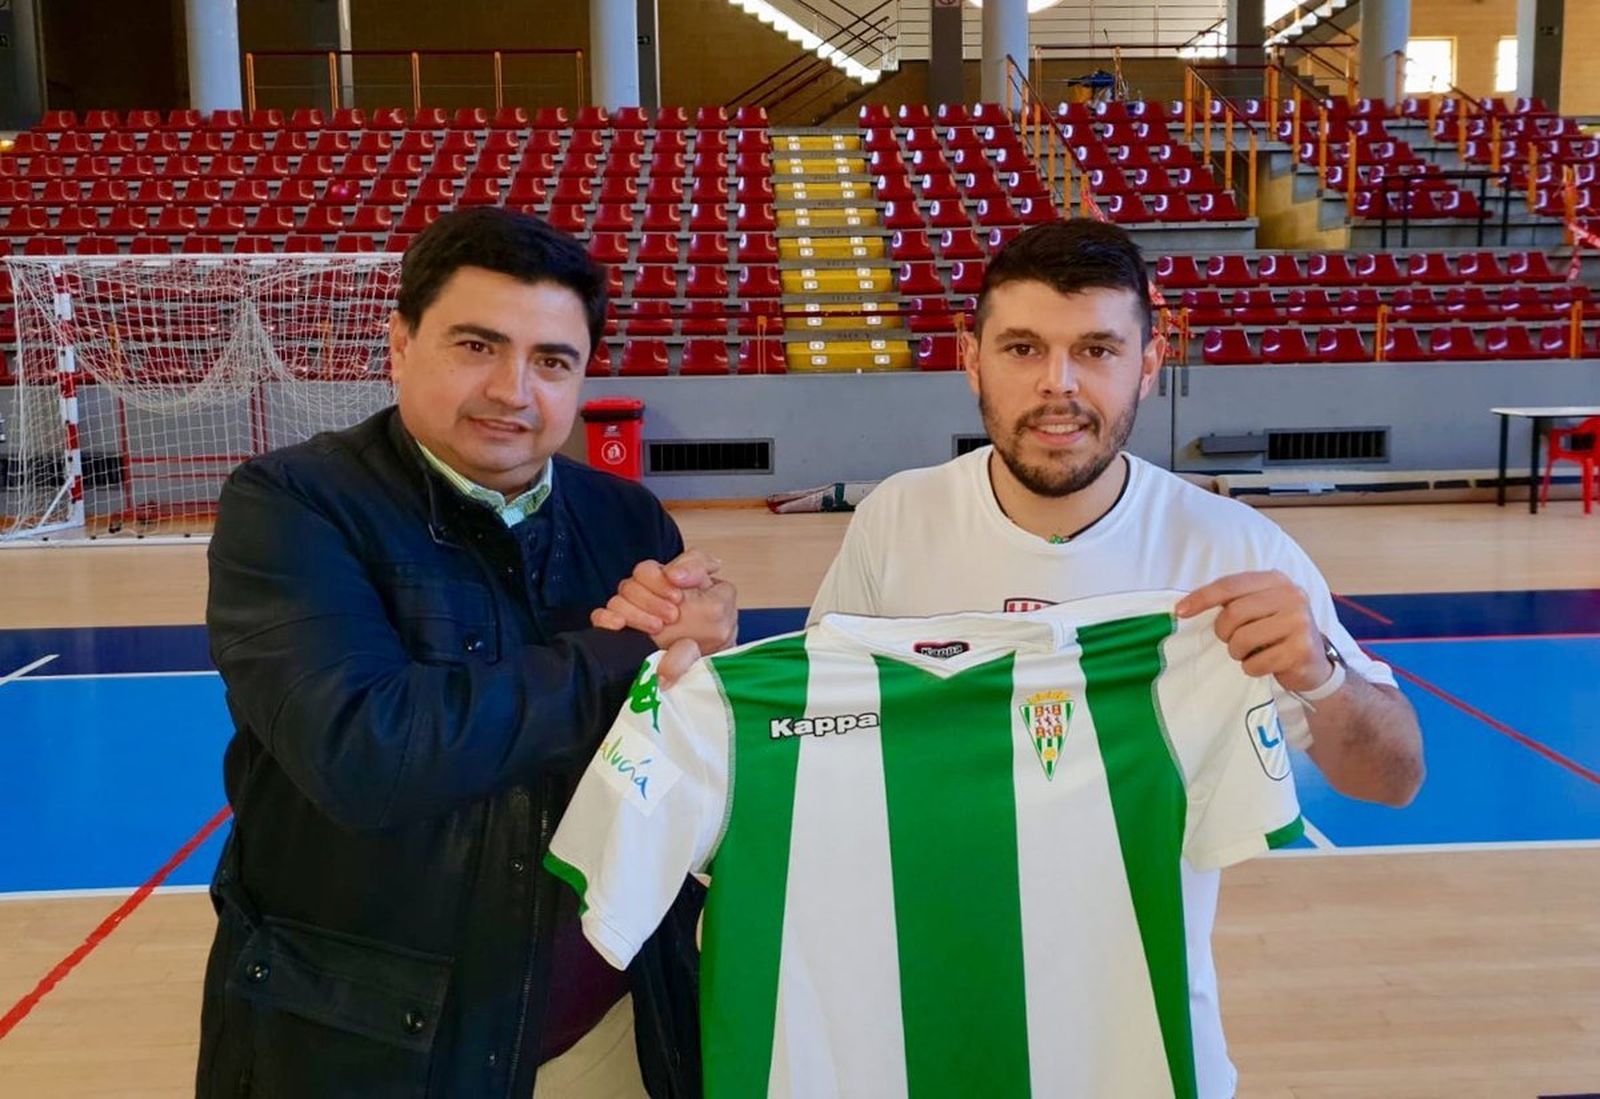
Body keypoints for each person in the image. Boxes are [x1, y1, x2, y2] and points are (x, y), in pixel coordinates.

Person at [600, 218, 1424, 1098]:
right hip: (911, 1023)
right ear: (972, 357)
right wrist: (711, 666)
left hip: (1133, 1039)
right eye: (1024, 348)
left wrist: (1321, 675)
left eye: (1097, 349)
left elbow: (1395, 777)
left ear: (1151, 360)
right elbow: (818, 744)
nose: (1057, 383)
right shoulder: (897, 520)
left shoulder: (1234, 550)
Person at [197, 207, 735, 1098]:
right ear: (401, 345)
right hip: (381, 1043)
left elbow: (674, 755)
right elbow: (365, 754)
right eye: (478, 346)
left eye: (551, 361)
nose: (513, 390)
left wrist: (702, 639)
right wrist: (629, 653)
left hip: (610, 1024)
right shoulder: (293, 504)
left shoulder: (628, 519)